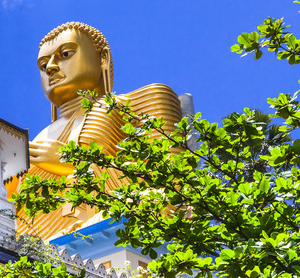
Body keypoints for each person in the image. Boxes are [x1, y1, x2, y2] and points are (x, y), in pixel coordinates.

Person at [13, 22, 183, 239]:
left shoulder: (142, 101)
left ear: (102, 57)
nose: (51, 67)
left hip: (110, 234)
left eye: (65, 54)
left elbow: (175, 188)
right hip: (38, 249)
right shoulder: (39, 137)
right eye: (43, 64)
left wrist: (72, 163)